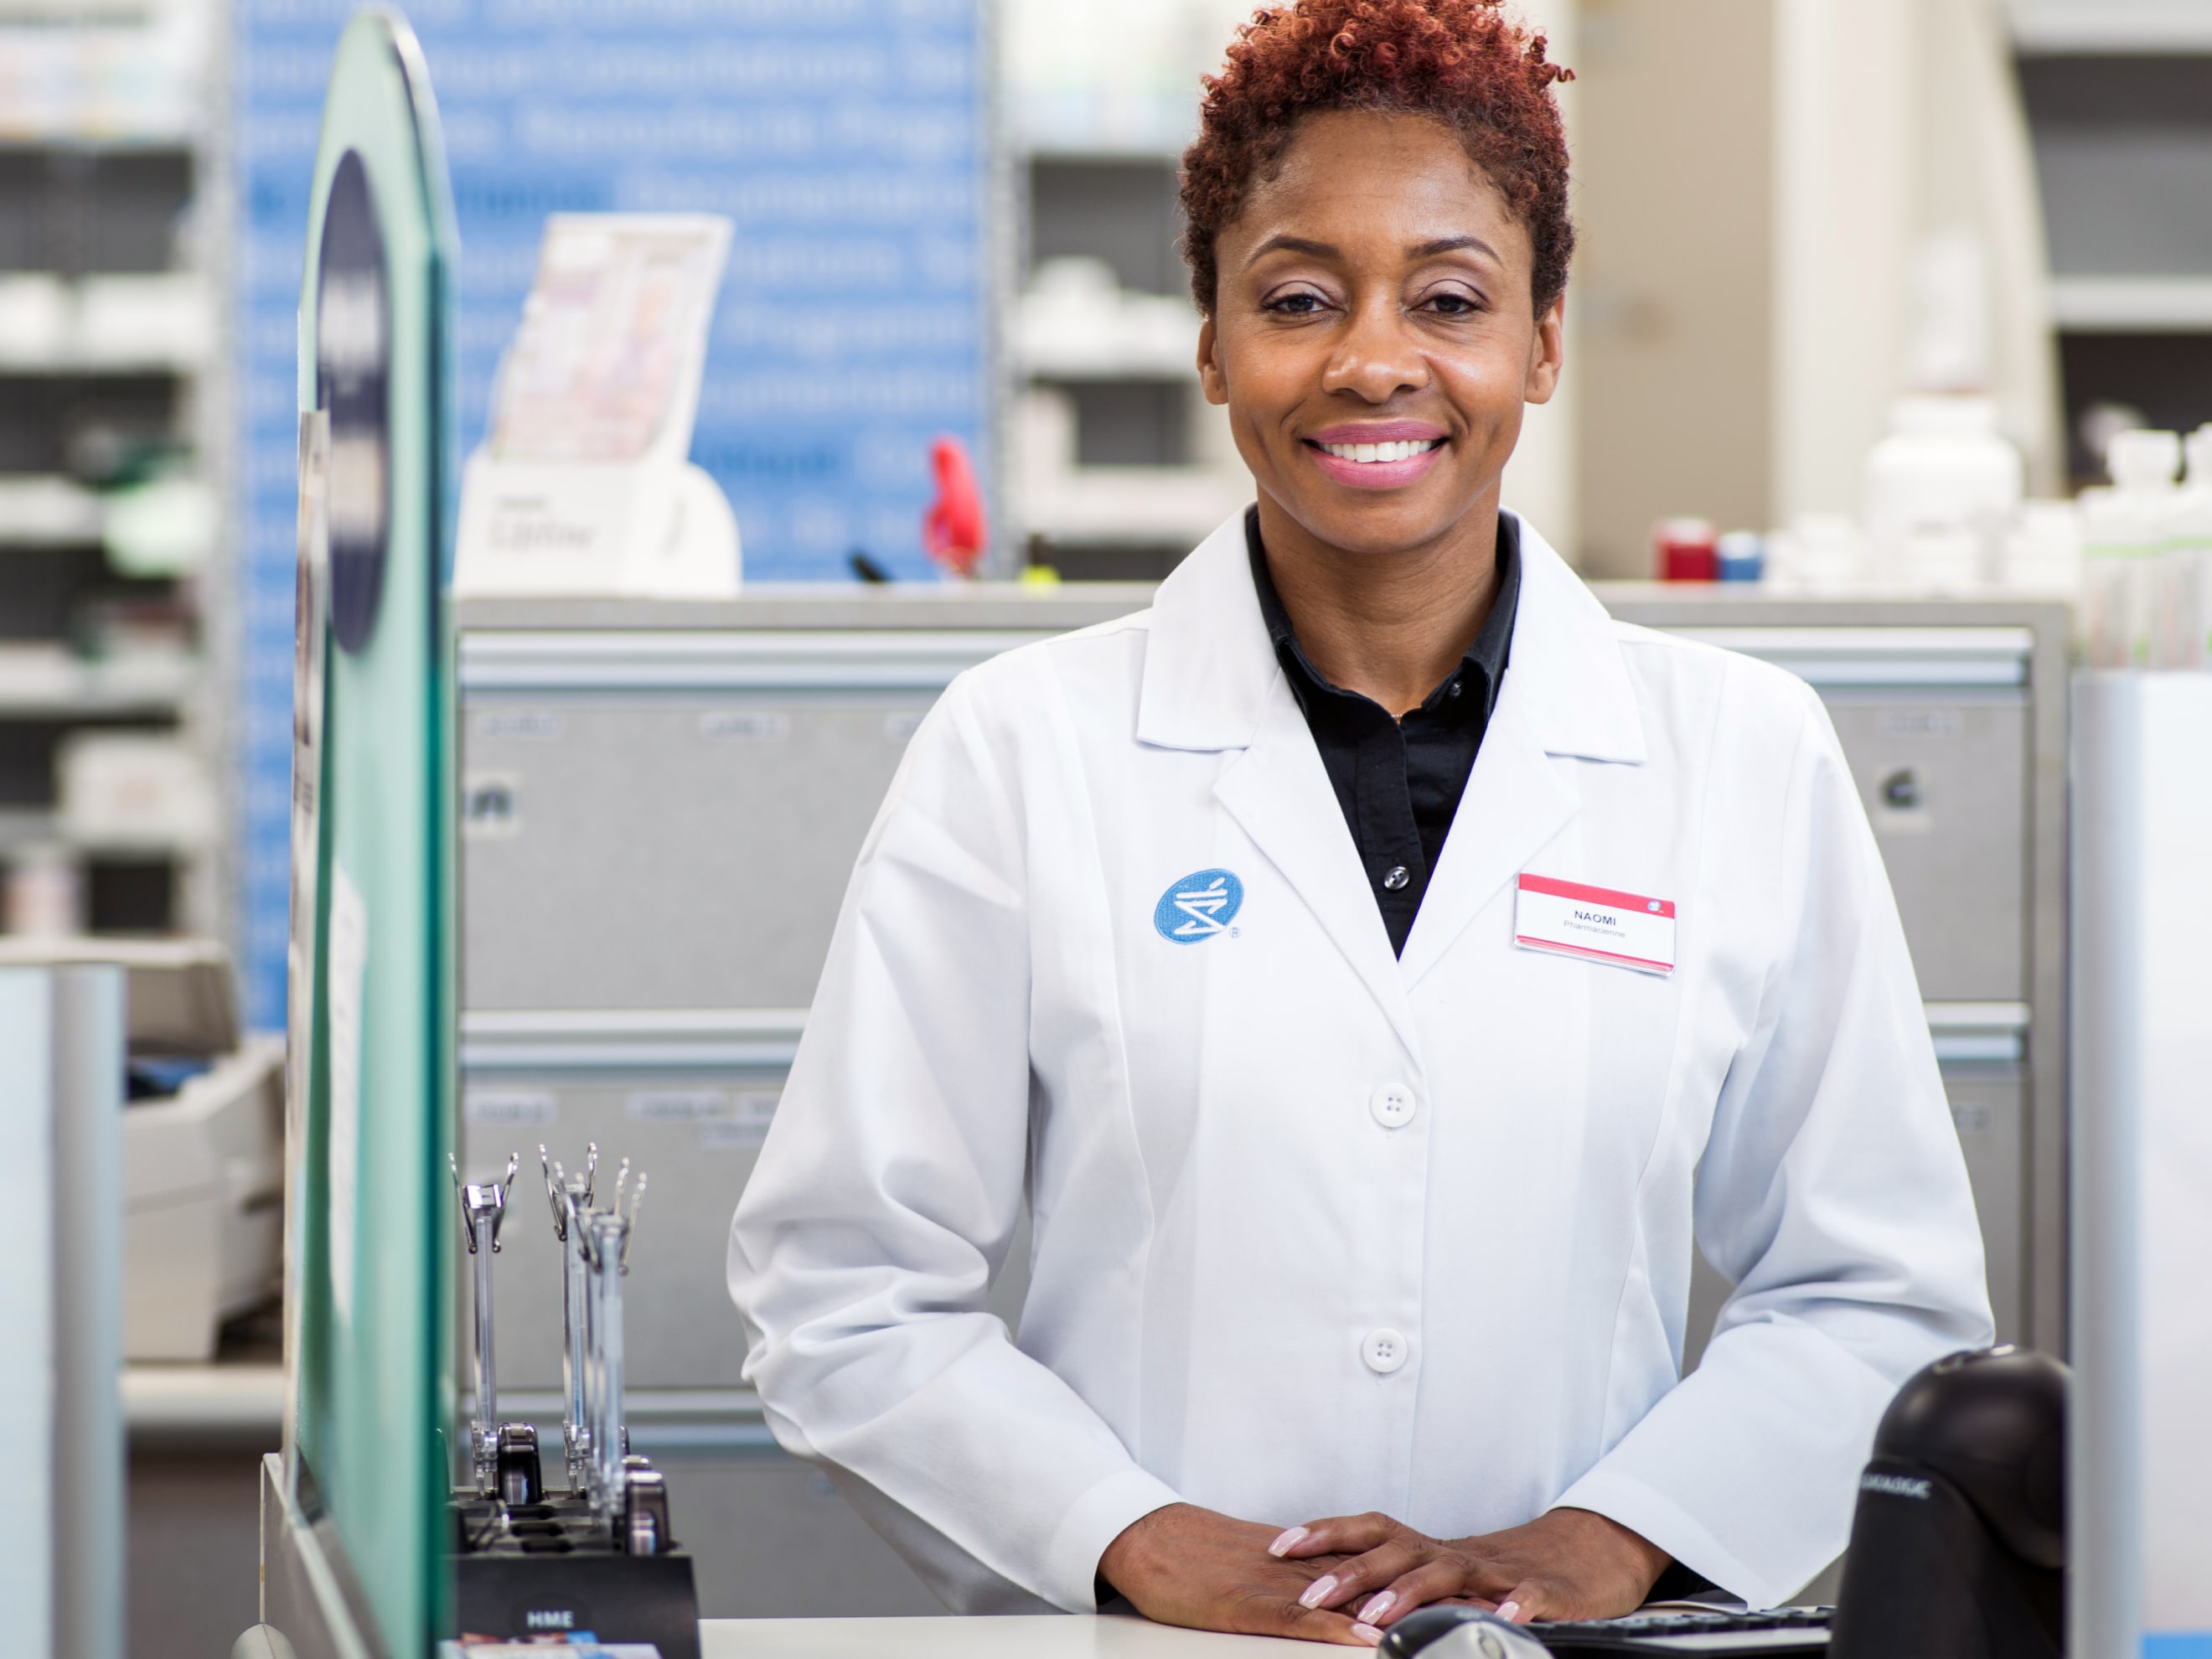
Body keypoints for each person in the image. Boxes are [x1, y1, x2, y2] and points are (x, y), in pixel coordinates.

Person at [727, 0, 1992, 1646]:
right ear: (1212, 340)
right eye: (1299, 298)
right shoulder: (1021, 751)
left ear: (1543, 339)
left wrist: (1614, 1540)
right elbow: (844, 1286)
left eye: (1452, 297)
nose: (1374, 359)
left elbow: (1876, 1288)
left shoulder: (1743, 758)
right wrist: (1132, 1536)